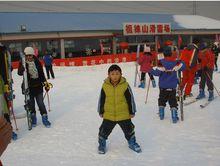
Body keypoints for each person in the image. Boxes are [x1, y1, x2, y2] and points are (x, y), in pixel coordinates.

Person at [97, 64, 141, 154]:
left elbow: (130, 99)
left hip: (123, 114)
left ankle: (132, 143)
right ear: (108, 75)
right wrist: (101, 111)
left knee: (129, 130)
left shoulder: (125, 85)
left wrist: (132, 111)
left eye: (117, 73)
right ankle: (101, 144)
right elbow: (102, 99)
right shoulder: (105, 85)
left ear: (121, 74)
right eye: (112, 74)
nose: (115, 76)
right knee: (103, 131)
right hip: (109, 114)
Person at [150, 44, 185, 123]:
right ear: (172, 53)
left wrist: (150, 70)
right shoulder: (176, 62)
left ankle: (161, 114)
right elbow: (183, 66)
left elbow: (157, 73)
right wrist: (180, 60)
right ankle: (174, 115)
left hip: (163, 86)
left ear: (164, 54)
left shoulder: (161, 62)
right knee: (173, 101)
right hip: (172, 86)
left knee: (162, 99)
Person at [18, 47, 51, 128]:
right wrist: (21, 69)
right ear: (25, 55)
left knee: (41, 103)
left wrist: (45, 83)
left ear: (33, 55)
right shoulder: (23, 63)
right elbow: (19, 73)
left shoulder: (37, 62)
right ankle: (33, 119)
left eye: (31, 55)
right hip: (29, 87)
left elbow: (41, 73)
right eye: (27, 55)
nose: (29, 57)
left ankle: (45, 118)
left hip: (38, 86)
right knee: (31, 105)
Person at [0, 44, 17, 140]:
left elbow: (5, 68)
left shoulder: (3, 52)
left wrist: (7, 82)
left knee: (4, 108)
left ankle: (8, 129)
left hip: (3, 84)